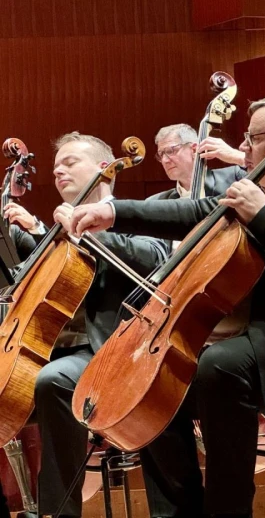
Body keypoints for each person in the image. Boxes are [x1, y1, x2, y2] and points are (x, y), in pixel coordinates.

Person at [69, 88, 265, 518]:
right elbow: (193, 212)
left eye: (254, 138)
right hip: (260, 342)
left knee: (220, 365)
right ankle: (178, 513)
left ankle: (228, 511)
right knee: (153, 385)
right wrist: (113, 214)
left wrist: (263, 216)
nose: (243, 147)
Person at [2, 132, 169, 518]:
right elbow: (19, 287)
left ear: (103, 168)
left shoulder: (132, 216)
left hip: (110, 351)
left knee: (54, 380)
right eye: (56, 166)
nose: (58, 171)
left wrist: (90, 230)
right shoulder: (57, 232)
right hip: (46, 347)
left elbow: (154, 257)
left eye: (70, 162)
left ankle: (58, 513)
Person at [153, 123, 245, 200]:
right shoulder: (159, 202)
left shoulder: (235, 177)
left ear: (194, 150)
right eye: (161, 154)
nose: (164, 160)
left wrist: (239, 157)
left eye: (170, 151)